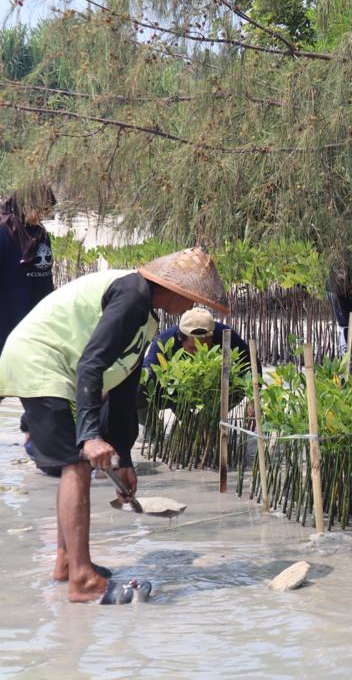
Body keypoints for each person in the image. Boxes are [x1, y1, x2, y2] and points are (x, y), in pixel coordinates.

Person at [0, 248, 229, 603]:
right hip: (40, 359)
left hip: (57, 367)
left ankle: (67, 562)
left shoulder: (146, 316)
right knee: (75, 463)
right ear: (173, 288)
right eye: (190, 298)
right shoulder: (133, 295)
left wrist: (124, 458)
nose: (188, 306)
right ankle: (81, 580)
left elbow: (124, 387)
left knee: (75, 464)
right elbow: (92, 363)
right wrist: (90, 436)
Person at [0, 183, 56, 357]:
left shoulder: (41, 235)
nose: (42, 215)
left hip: (34, 319)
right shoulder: (4, 232)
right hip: (7, 315)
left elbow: (46, 277)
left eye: (45, 210)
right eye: (40, 209)